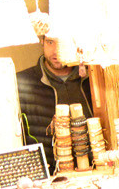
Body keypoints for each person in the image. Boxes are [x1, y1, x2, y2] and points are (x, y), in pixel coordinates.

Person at [15, 29, 93, 171]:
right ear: (42, 42)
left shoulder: (93, 79)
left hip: (96, 171)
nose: (56, 51)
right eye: (51, 42)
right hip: (48, 178)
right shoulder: (20, 83)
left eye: (63, 43)